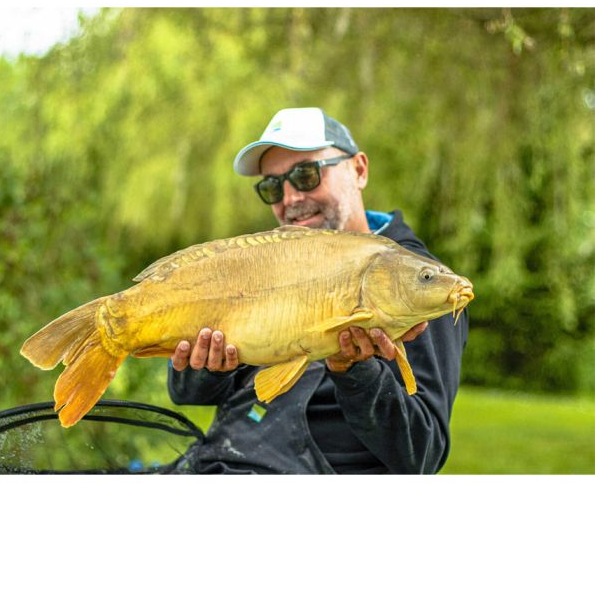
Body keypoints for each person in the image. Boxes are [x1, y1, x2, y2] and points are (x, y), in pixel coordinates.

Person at [168, 107, 468, 474]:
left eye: (306, 175)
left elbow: (422, 454)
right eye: (272, 186)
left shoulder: (413, 283)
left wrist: (356, 372)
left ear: (359, 170)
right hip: (220, 462)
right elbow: (188, 394)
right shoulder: (268, 261)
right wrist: (207, 368)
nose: (291, 198)